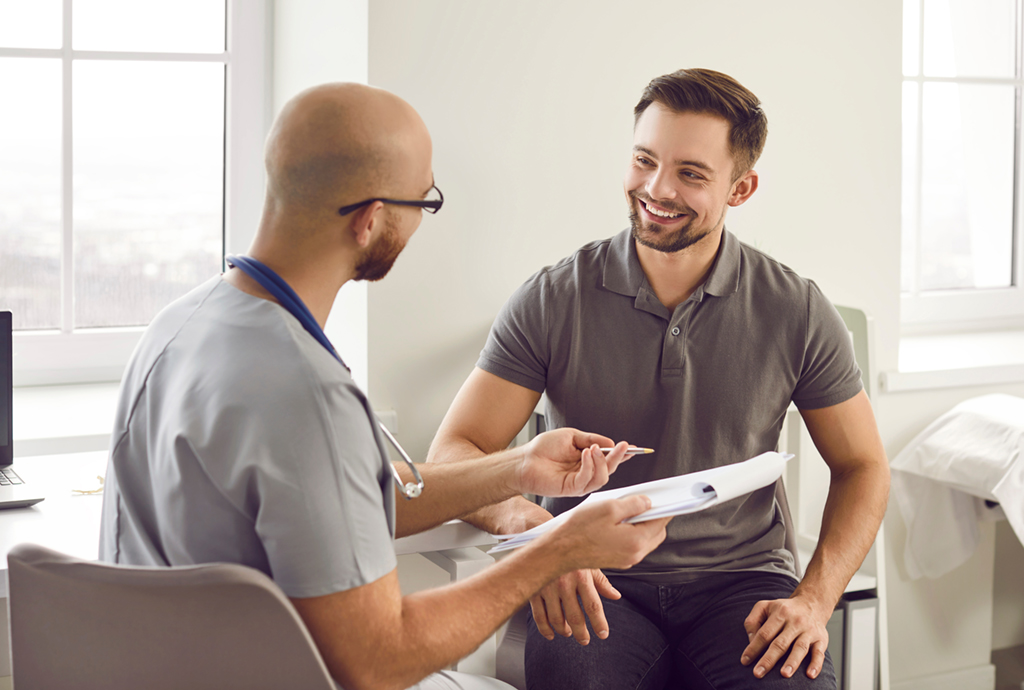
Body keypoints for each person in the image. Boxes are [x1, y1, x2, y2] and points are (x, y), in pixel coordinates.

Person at [98, 82, 672, 690]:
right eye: (424, 202)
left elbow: (335, 499)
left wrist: (517, 468)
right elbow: (377, 661)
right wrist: (558, 549)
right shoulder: (304, 394)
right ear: (371, 220)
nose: (422, 220)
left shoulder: (185, 322)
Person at [427, 68, 890, 689]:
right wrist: (538, 534)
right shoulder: (552, 298)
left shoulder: (797, 309)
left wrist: (815, 599)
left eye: (691, 173)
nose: (656, 188)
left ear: (741, 188)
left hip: (743, 585)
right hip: (590, 575)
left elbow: (863, 465)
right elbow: (456, 453)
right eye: (645, 160)